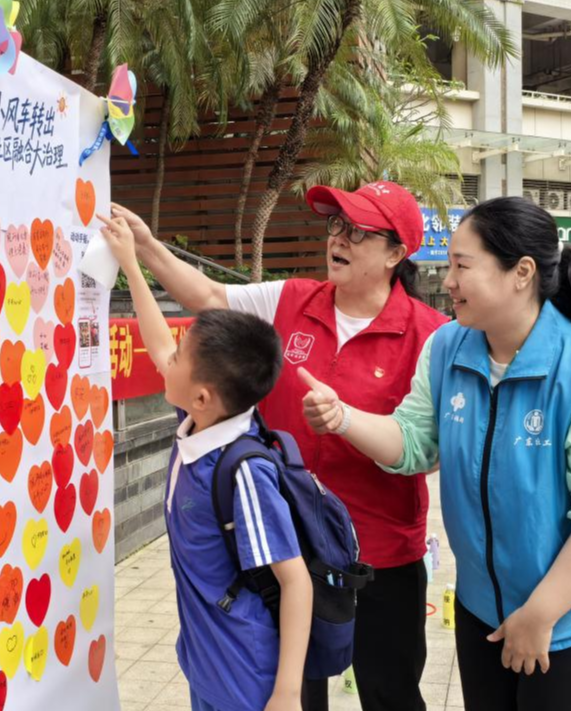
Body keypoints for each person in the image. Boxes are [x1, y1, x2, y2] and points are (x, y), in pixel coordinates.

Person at [298, 197, 571, 711]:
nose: (448, 282)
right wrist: (344, 418)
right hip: (481, 607)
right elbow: (414, 441)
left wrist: (540, 615)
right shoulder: (448, 348)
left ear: (521, 273)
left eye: (462, 266)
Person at [112, 180, 449, 711]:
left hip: (381, 555)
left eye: (358, 231)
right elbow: (209, 297)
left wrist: (345, 420)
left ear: (395, 254)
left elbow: (426, 449)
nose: (338, 238)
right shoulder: (292, 298)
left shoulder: (433, 335)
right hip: (287, 547)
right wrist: (147, 247)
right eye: (336, 224)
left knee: (390, 693)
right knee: (295, 689)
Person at [99, 212, 313, 711]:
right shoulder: (202, 421)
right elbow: (158, 343)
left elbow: (295, 581)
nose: (166, 360)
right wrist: (131, 264)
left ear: (201, 396)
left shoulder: (244, 474)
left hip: (245, 673)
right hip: (206, 659)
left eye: (179, 359)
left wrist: (286, 694)